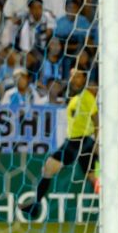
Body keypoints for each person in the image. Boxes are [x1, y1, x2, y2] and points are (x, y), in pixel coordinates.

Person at [20, 68, 98, 218]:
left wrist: (96, 141)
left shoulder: (87, 96)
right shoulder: (75, 97)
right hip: (75, 141)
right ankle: (35, 206)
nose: (73, 79)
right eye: (71, 76)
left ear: (84, 79)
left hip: (80, 141)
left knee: (49, 167)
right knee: (91, 177)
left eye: (77, 76)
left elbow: (96, 120)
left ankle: (35, 205)